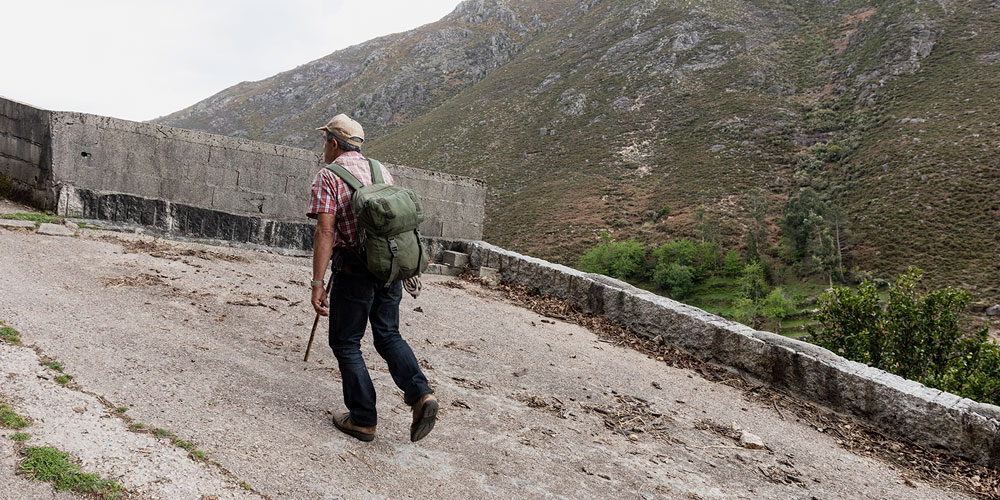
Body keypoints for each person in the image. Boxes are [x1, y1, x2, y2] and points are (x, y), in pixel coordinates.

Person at [306, 113, 437, 442]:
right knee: (388, 335)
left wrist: (318, 283)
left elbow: (325, 230)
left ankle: (363, 418)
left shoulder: (329, 176)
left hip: (354, 270)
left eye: (325, 140)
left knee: (346, 342)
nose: (324, 147)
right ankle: (421, 394)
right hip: (390, 267)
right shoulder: (381, 171)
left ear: (334, 144)